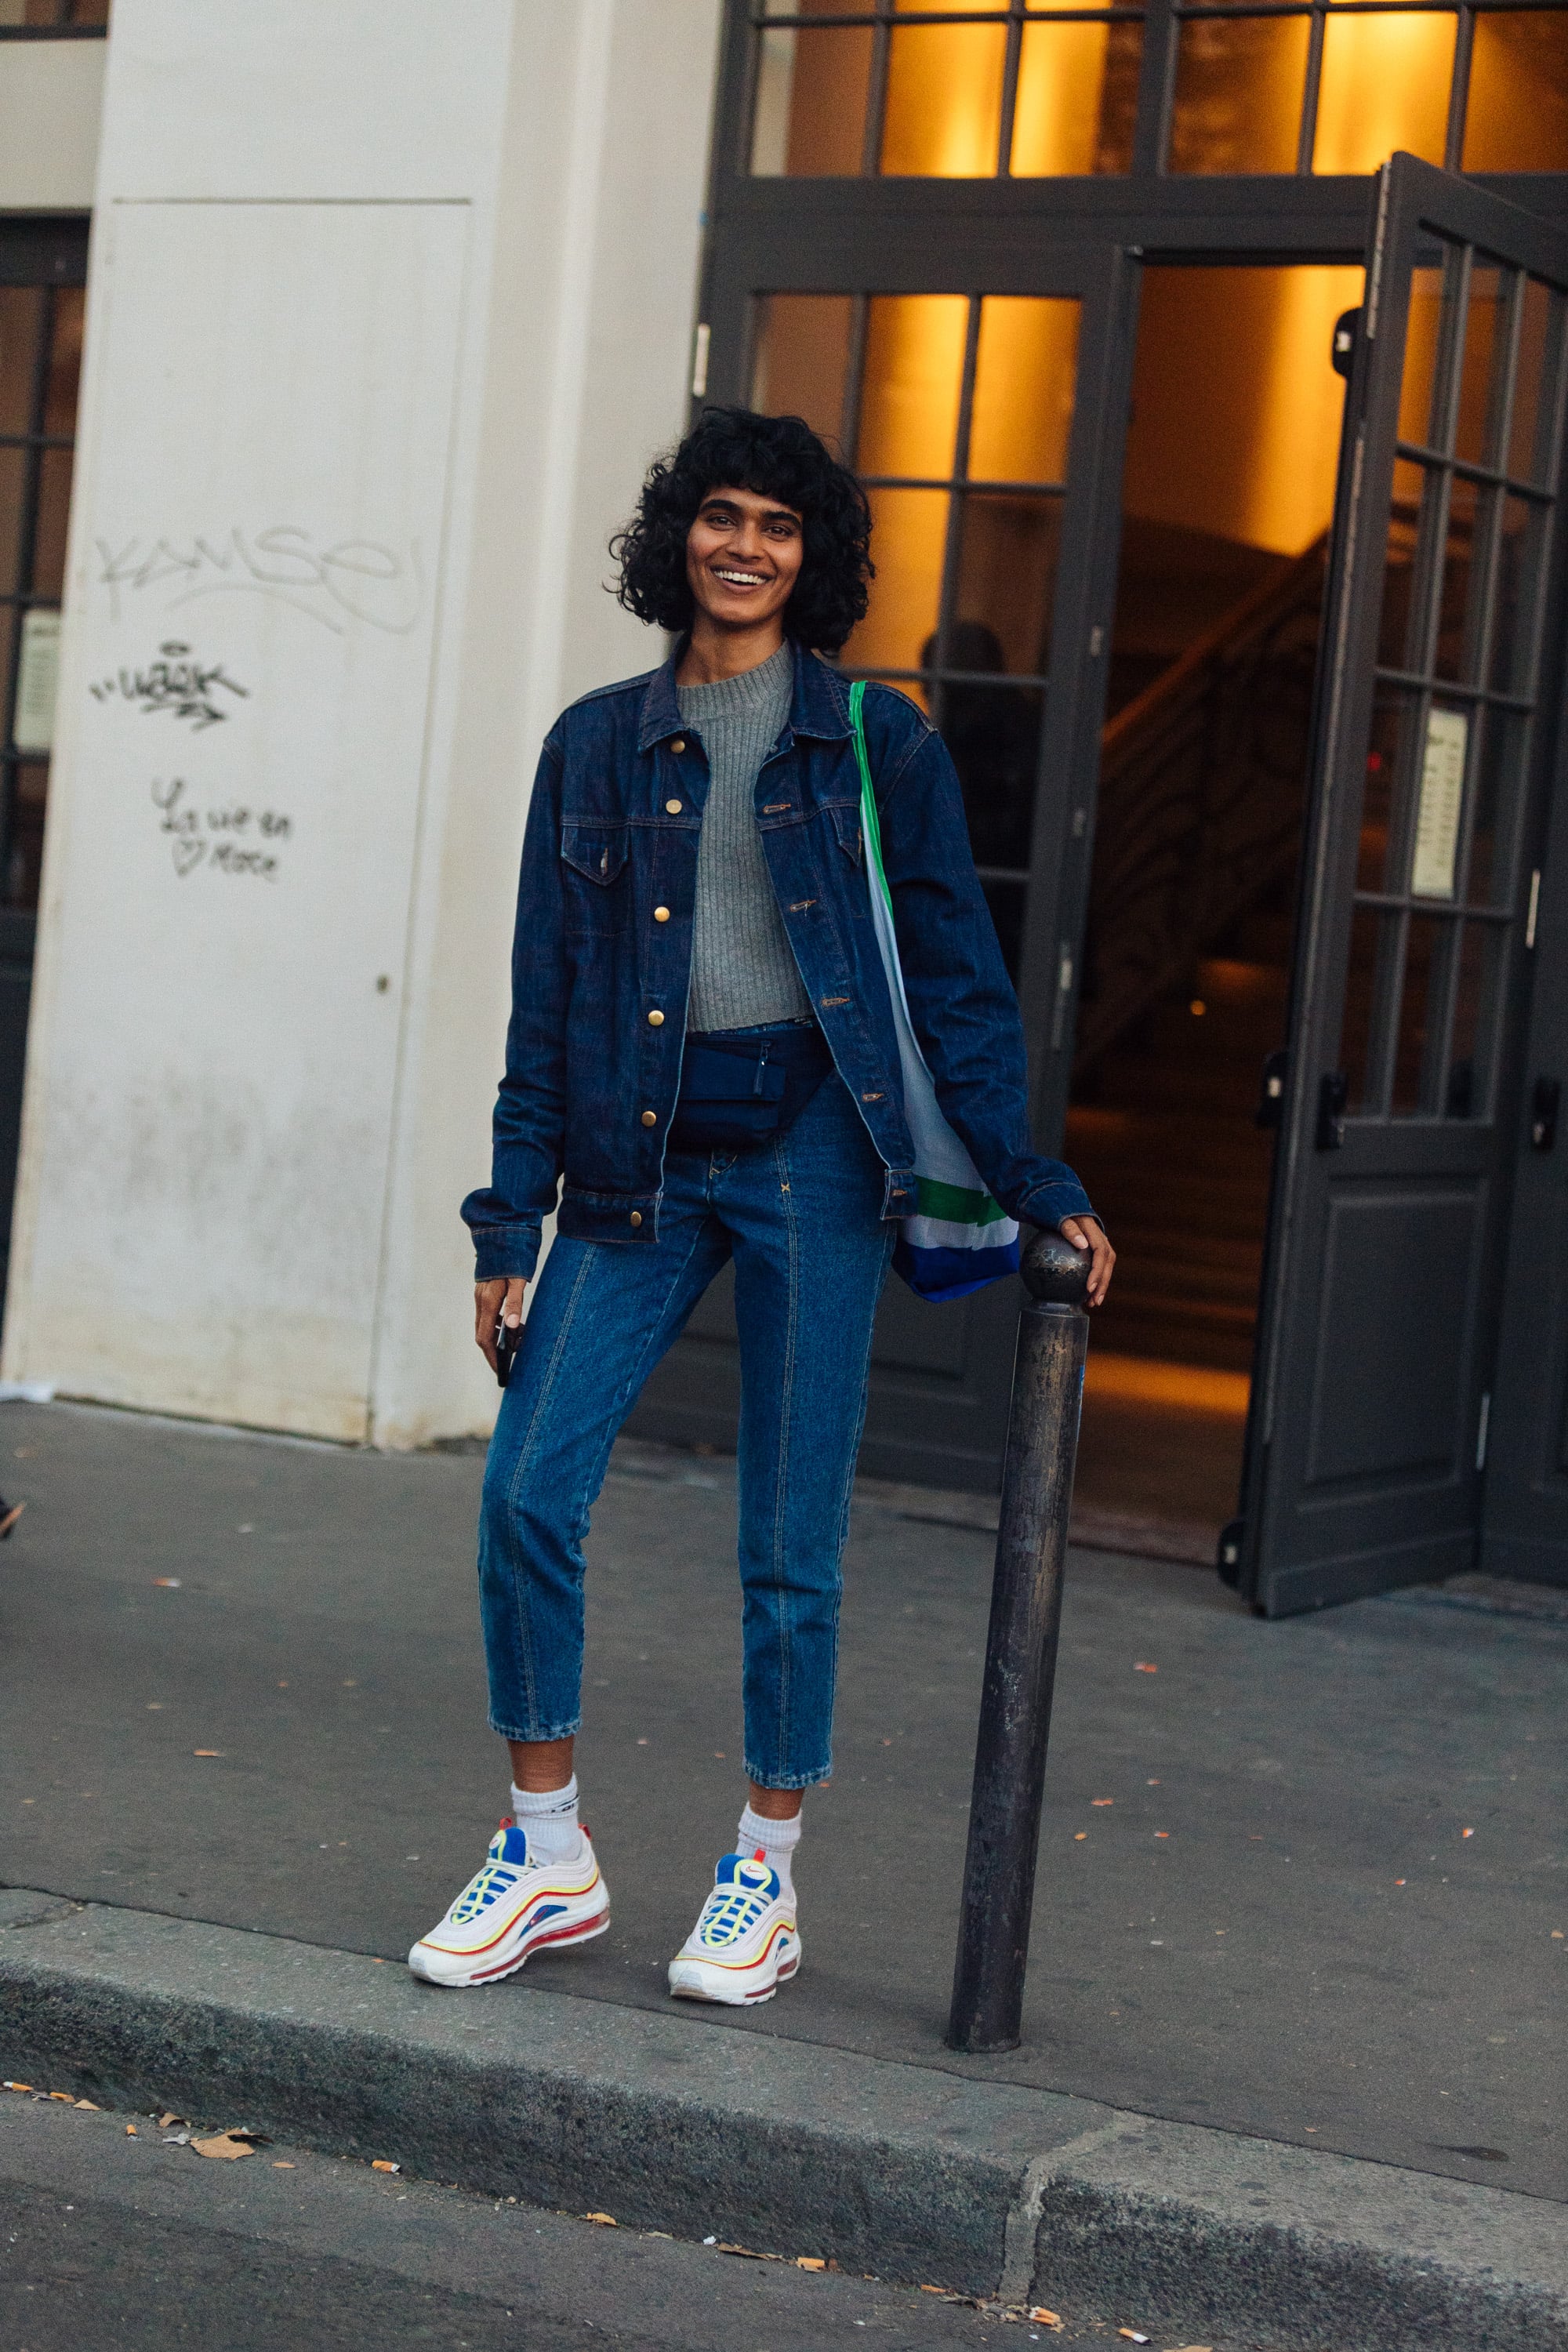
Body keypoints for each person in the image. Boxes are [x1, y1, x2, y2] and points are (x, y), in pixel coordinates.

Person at [408, 407, 1113, 2004]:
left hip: (813, 1160)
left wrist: (1036, 1182)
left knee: (787, 1540)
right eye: (721, 517)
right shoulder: (592, 744)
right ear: (680, 539)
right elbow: (548, 1002)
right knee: (526, 1493)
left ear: (815, 560)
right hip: (627, 1162)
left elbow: (955, 984)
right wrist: (502, 1221)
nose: (745, 547)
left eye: (778, 528)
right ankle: (547, 1851)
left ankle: (763, 1875)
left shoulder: (878, 745)